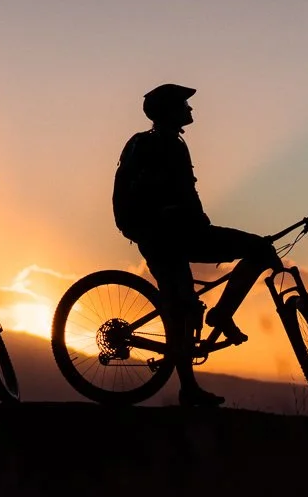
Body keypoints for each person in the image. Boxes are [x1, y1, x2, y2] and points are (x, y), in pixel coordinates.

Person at [112, 83, 280, 407]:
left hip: (182, 233)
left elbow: (186, 194)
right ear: (168, 112)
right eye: (183, 106)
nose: (190, 110)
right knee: (184, 308)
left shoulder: (172, 144)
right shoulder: (151, 146)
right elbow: (150, 194)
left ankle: (217, 322)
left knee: (254, 253)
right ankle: (191, 382)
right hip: (163, 237)